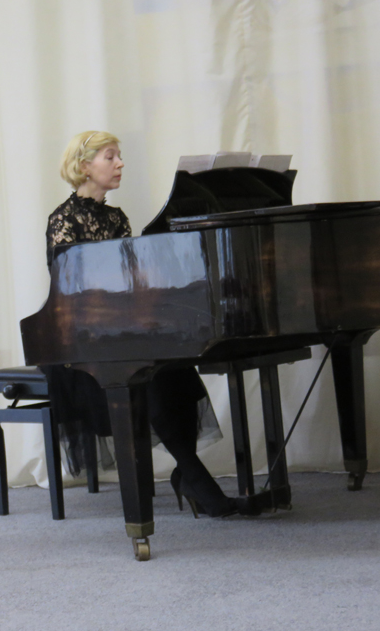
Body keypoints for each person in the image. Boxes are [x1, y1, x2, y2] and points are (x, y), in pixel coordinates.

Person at [44, 130, 241, 518]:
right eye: (110, 157)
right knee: (147, 374)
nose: (120, 163)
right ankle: (196, 480)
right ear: (84, 166)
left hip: (120, 331)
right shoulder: (62, 220)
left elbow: (130, 281)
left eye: (119, 156)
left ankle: (190, 475)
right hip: (80, 341)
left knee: (174, 367)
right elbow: (70, 291)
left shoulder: (117, 218)